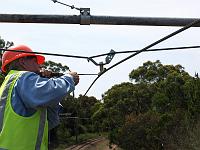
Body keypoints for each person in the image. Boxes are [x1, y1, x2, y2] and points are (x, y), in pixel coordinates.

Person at [0, 45, 79, 150]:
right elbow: (50, 92)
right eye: (35, 61)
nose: (39, 64)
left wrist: (45, 81)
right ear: (22, 61)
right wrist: (69, 79)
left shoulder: (7, 84)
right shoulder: (23, 78)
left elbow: (50, 122)